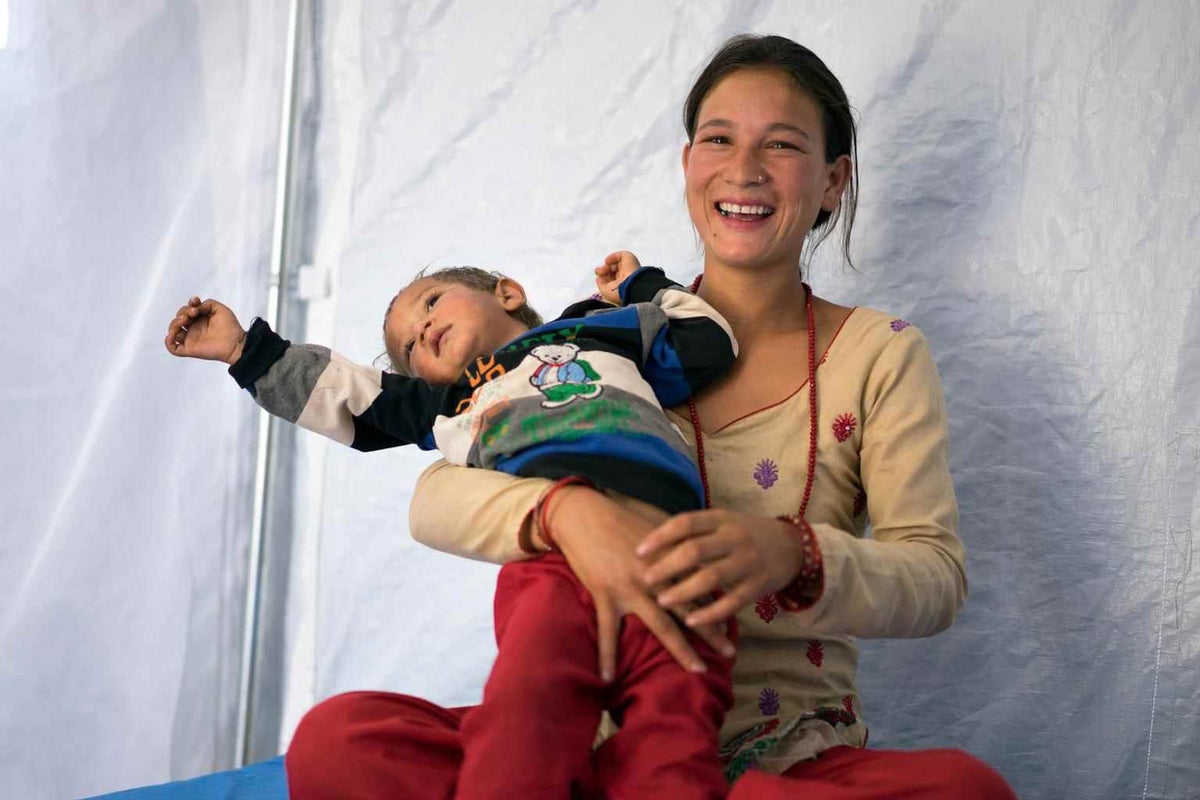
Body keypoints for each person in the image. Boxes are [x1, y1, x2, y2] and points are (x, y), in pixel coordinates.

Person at [281, 33, 1017, 800]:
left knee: (965, 791)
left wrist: (789, 553)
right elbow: (437, 490)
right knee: (339, 742)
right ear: (688, 163)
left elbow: (934, 575)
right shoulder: (596, 340)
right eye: (719, 139)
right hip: (586, 742)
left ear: (834, 180)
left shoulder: (878, 353)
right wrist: (568, 515)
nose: (744, 169)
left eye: (782, 144)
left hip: (782, 757)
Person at [164, 250, 741, 799]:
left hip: (679, 558)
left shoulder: (597, 329)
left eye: (432, 302)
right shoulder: (450, 404)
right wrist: (243, 349)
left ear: (507, 293)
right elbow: (340, 390)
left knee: (674, 740)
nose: (421, 331)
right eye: (409, 348)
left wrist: (641, 284)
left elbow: (710, 342)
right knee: (529, 712)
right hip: (554, 571)